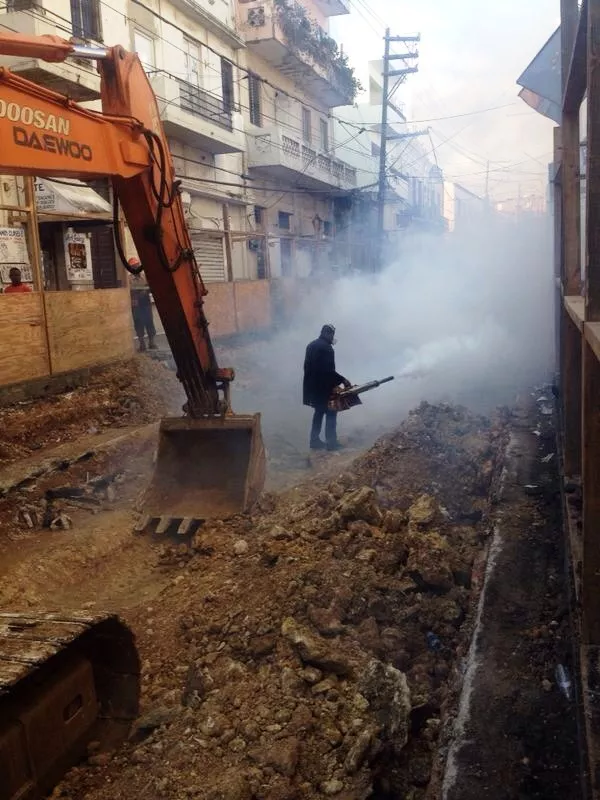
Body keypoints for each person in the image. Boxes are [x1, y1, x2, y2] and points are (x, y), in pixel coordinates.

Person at [303, 324, 351, 451]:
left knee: (318, 413)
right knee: (331, 413)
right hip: (324, 388)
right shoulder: (327, 348)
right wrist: (342, 380)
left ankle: (314, 441)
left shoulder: (311, 345)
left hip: (312, 387)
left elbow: (308, 368)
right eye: (332, 335)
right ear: (328, 334)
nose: (332, 338)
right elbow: (328, 371)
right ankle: (331, 443)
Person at [128, 257, 157, 351]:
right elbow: (128, 291)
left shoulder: (145, 277)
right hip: (136, 304)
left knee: (149, 322)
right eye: (133, 266)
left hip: (146, 303)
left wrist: (146, 290)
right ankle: (142, 344)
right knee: (138, 323)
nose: (136, 267)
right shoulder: (128, 279)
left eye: (137, 265)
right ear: (130, 267)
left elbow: (151, 287)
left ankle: (152, 342)